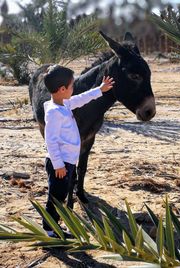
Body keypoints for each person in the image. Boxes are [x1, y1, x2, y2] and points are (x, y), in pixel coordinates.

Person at [43, 64, 114, 238]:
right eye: (72, 86)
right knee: (56, 197)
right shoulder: (53, 112)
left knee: (59, 194)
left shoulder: (64, 103)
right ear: (62, 89)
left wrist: (100, 89)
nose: (74, 90)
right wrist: (59, 165)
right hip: (59, 164)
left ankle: (54, 226)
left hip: (67, 162)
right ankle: (50, 230)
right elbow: (50, 142)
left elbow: (81, 98)